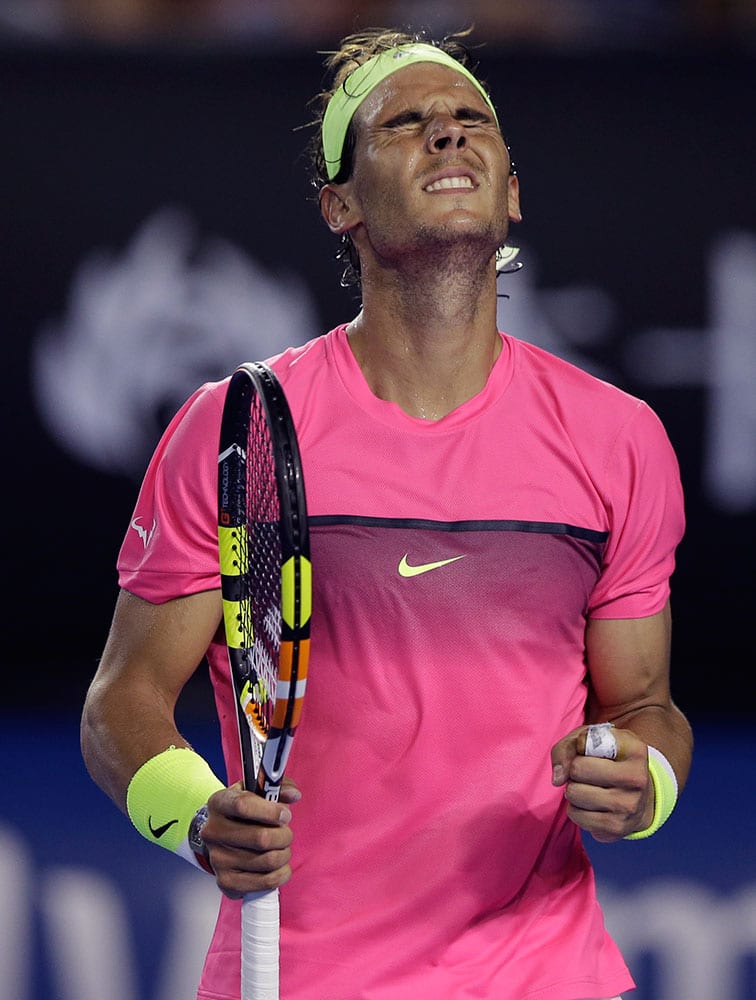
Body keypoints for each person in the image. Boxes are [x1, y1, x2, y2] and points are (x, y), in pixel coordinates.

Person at [81, 27, 693, 1000]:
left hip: (545, 972)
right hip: (299, 976)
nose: (447, 137)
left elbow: (645, 707)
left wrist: (642, 781)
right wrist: (199, 814)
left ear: (513, 190)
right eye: (406, 124)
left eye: (469, 121)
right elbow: (123, 698)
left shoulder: (618, 439)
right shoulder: (238, 430)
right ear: (342, 205)